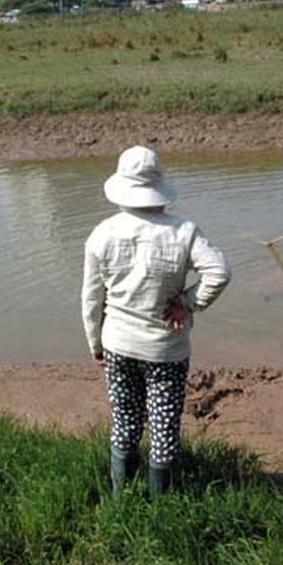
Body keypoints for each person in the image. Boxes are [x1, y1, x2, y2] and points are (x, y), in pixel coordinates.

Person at [82, 146, 231, 497]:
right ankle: (159, 504)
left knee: (125, 423)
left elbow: (91, 300)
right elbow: (219, 272)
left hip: (118, 344)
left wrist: (95, 343)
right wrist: (189, 303)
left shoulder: (102, 234)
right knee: (164, 429)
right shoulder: (184, 232)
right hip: (167, 349)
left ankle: (122, 499)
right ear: (159, 188)